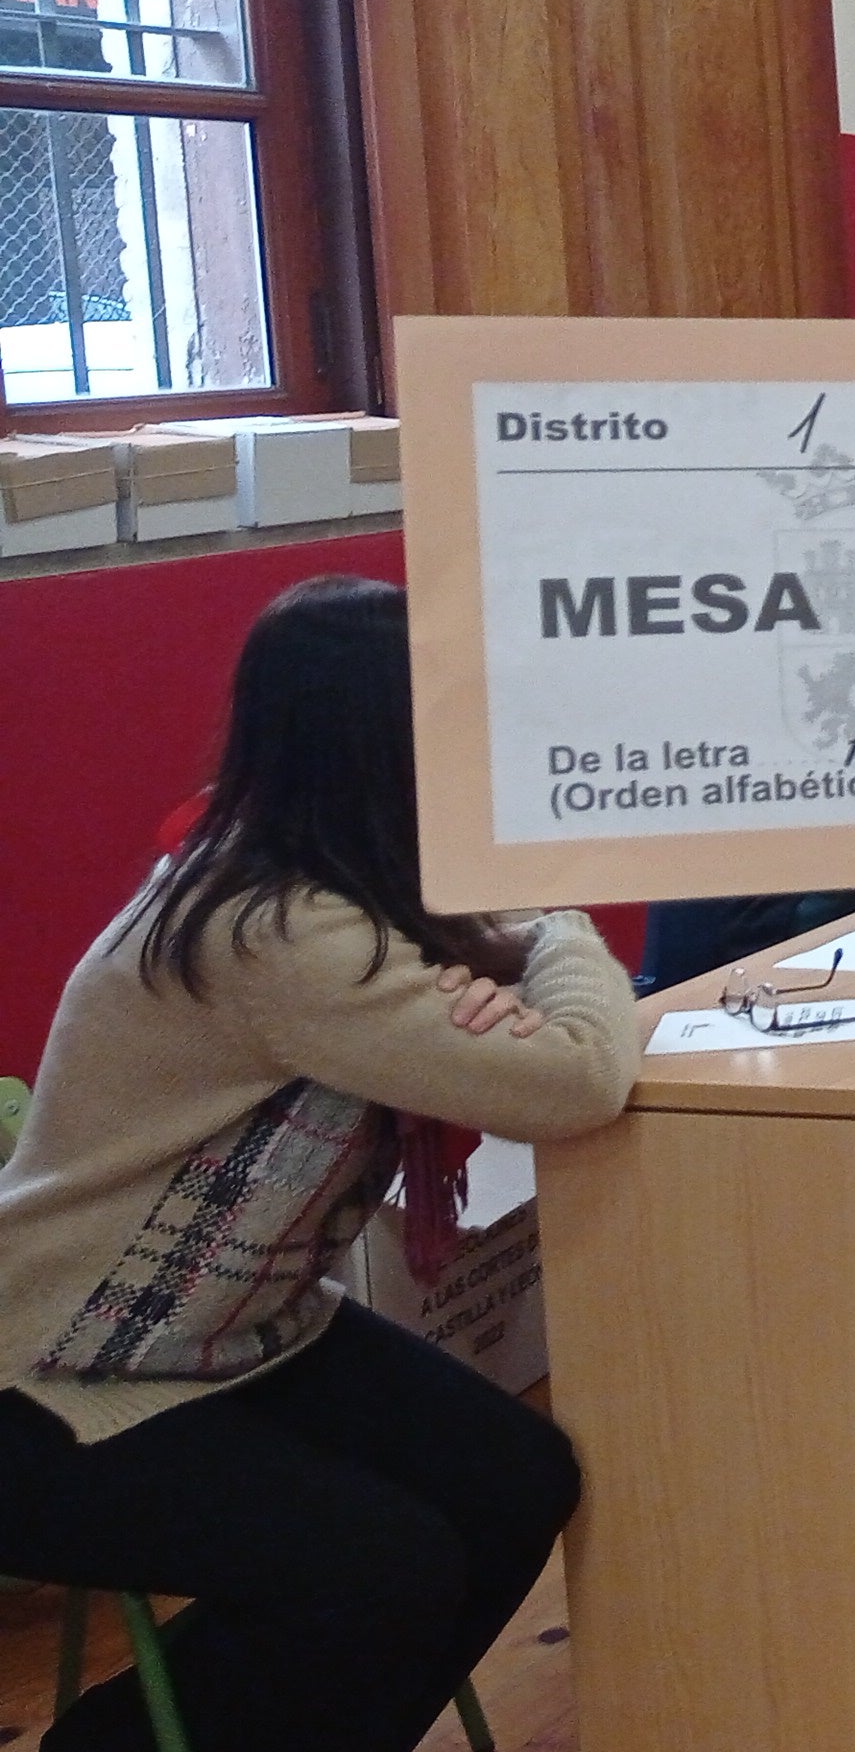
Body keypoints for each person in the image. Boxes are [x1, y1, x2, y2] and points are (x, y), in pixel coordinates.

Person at [0, 575, 644, 1752]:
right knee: (377, 1568)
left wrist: (495, 964)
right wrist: (554, 927)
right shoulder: (282, 931)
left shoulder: (311, 883)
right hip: (57, 1364)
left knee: (514, 1482)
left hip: (228, 1328)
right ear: (383, 746)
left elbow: (541, 1045)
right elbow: (577, 1081)